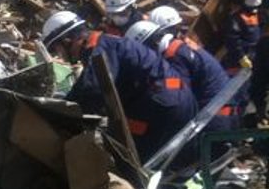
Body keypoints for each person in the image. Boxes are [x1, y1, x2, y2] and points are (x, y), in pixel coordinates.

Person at [42, 10, 196, 164]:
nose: (59, 55)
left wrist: (60, 113)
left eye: (56, 49)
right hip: (172, 99)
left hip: (164, 104)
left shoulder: (100, 49)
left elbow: (93, 90)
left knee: (130, 158)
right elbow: (88, 85)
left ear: (68, 40)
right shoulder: (104, 44)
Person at [139, 9, 237, 133]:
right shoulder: (181, 47)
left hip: (213, 119)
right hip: (220, 114)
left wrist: (156, 85)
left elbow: (180, 87)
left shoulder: (174, 54)